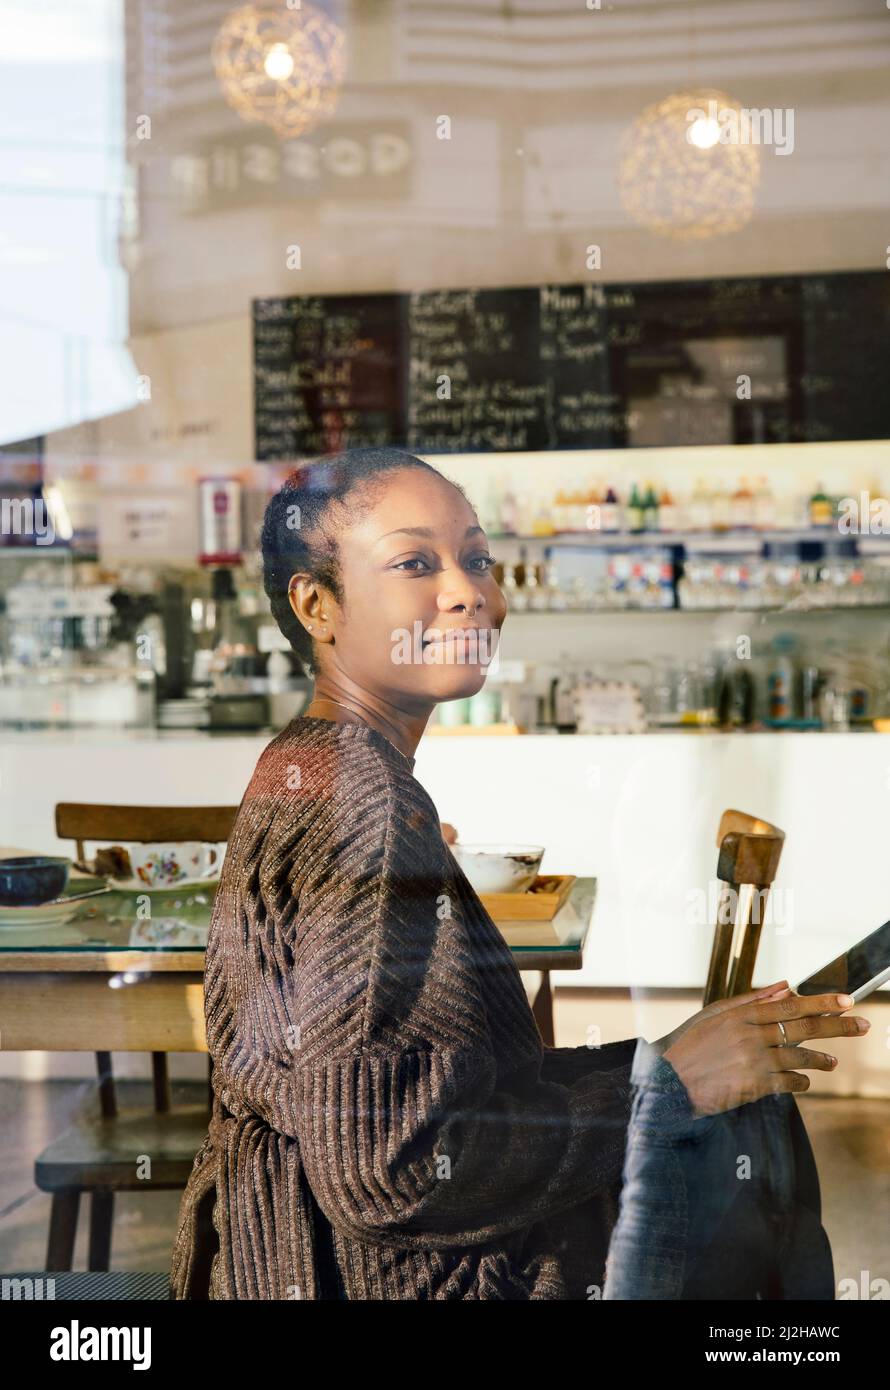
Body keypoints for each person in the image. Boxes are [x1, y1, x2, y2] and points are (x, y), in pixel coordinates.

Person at [169, 447, 869, 1300]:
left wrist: (662, 1059)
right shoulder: (366, 805)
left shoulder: (312, 763)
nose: (469, 592)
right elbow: (392, 1169)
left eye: (477, 558)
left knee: (746, 1115)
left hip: (275, 1258)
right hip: (369, 1279)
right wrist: (666, 1084)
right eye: (415, 562)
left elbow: (422, 1101)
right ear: (317, 604)